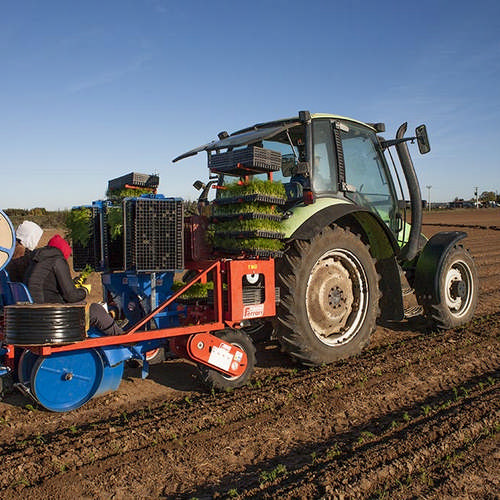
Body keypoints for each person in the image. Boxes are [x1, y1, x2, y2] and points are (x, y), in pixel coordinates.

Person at [24, 234, 124, 336]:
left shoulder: (37, 262)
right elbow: (71, 296)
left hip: (39, 316)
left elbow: (50, 288)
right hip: (53, 318)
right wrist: (84, 291)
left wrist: (73, 284)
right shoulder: (57, 260)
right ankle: (124, 340)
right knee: (96, 309)